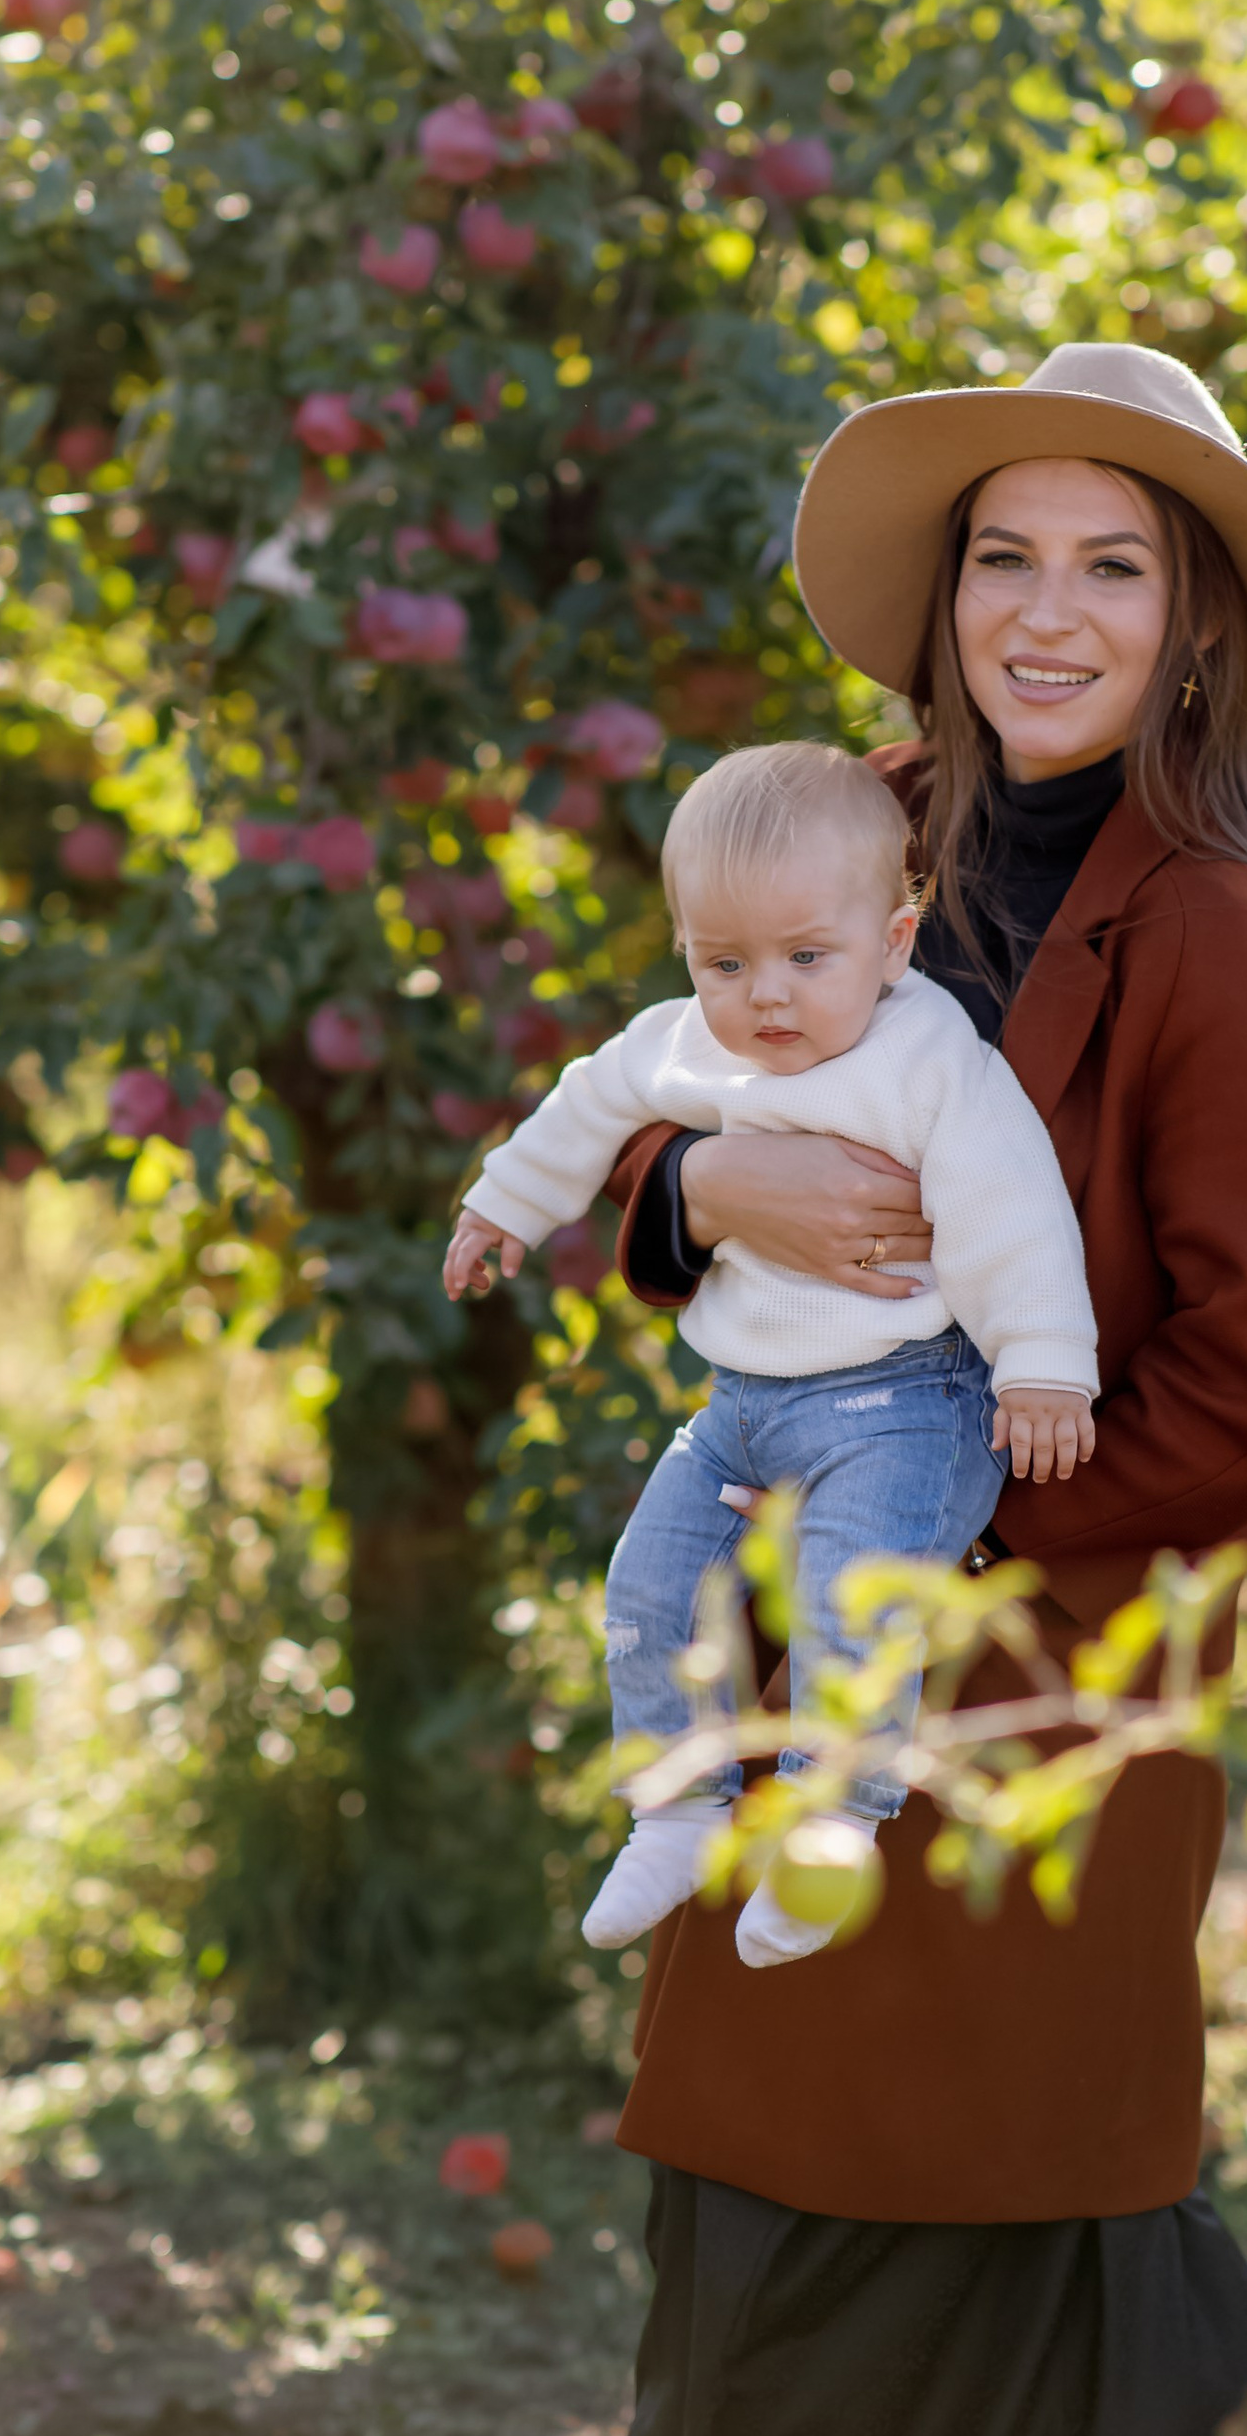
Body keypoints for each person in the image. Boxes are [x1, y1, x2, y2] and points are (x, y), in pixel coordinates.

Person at [488, 341, 1247, 2436]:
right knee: (768, 2173)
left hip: (1035, 1691)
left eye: (1113, 566)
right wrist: (715, 1202)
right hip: (822, 1649)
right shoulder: (861, 846)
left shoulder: (1217, 936)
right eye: (1009, 554)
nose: (1049, 608)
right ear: (949, 598)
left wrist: (963, 1567)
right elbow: (683, 1172)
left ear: (1191, 638)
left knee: (1069, 2230)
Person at [441, 740, 1099, 1962]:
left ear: (894, 944)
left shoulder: (928, 1060)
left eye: (807, 958)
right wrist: (503, 1206)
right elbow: (588, 1104)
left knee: (855, 1609)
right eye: (724, 963)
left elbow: (1014, 1208)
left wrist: (1045, 1364)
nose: (767, 999)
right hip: (742, 1406)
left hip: (904, 1406)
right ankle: (677, 1807)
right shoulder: (688, 1040)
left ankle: (829, 1828)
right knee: (651, 1588)